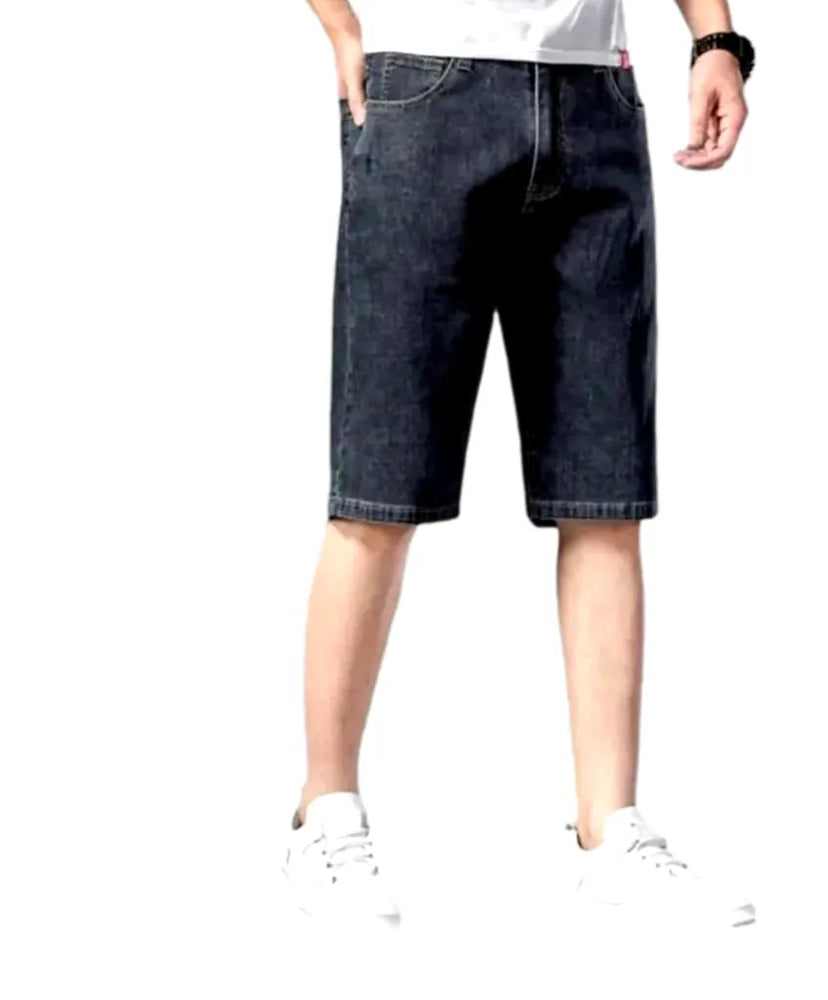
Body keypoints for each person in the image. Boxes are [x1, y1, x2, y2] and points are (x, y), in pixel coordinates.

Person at [283, 0, 755, 928]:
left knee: (604, 490)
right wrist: (343, 30)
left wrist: (715, 40)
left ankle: (609, 832)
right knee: (380, 485)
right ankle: (324, 811)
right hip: (424, 89)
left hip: (595, 94)